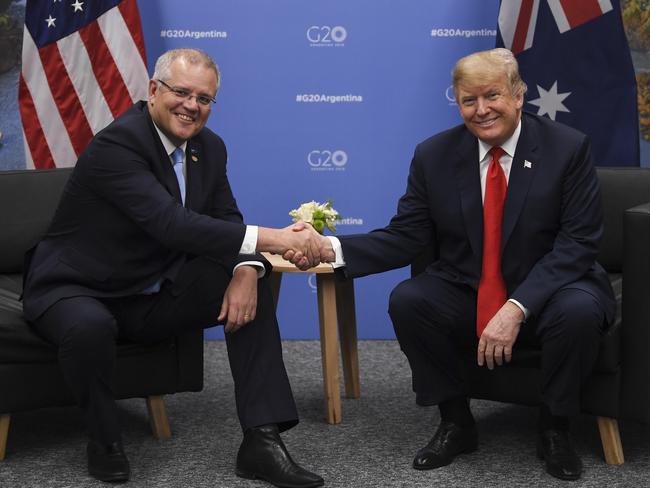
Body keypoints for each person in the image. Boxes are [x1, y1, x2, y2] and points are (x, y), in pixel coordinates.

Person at [288, 48, 616, 481]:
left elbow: (577, 244)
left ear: (519, 96)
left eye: (492, 95)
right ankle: (456, 422)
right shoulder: (434, 155)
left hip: (553, 287)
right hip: (472, 286)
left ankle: (555, 426)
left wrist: (517, 307)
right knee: (411, 300)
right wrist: (331, 249)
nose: (481, 110)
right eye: (468, 100)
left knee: (578, 312)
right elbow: (407, 235)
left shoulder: (567, 148)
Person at [22, 48, 324, 487]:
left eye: (204, 99)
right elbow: (172, 225)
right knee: (89, 326)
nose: (191, 106)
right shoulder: (118, 144)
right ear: (152, 91)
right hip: (77, 287)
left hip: (149, 291)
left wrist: (247, 271)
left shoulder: (210, 147)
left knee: (254, 284)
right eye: (181, 92)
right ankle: (104, 440)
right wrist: (277, 239)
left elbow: (225, 220)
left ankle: (262, 439)